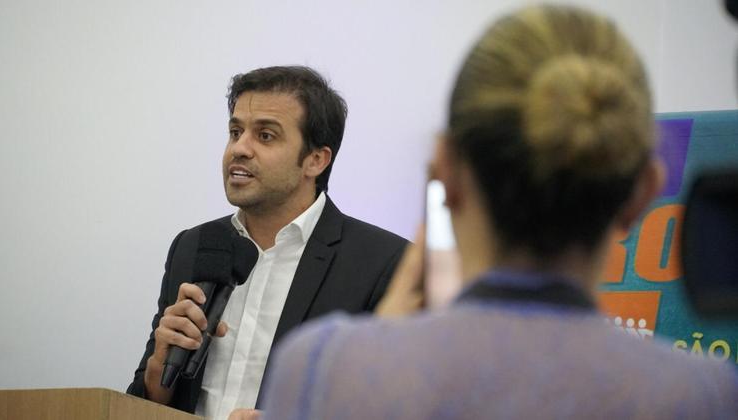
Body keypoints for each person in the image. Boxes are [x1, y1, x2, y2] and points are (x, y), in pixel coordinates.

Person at [259, 5, 738, 419]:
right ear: (643, 193)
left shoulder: (323, 368)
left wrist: (366, 356)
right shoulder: (703, 397)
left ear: (445, 170)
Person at [127, 66, 407, 419]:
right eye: (235, 131)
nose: (239, 149)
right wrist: (157, 375)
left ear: (315, 160)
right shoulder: (194, 246)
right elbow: (143, 399)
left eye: (265, 136)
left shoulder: (381, 263)